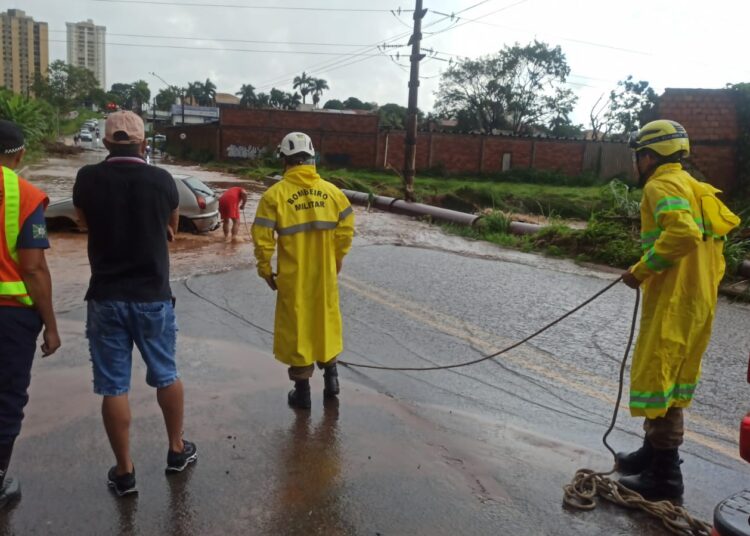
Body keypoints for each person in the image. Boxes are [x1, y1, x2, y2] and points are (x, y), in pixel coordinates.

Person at [73, 111, 197, 497]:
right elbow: (173, 227)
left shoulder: (87, 179)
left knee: (114, 387)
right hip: (153, 298)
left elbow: (81, 223)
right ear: (144, 144)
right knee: (166, 373)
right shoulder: (162, 180)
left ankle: (124, 472)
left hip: (106, 297)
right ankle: (176, 451)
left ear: (106, 143)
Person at [616, 119, 739, 500]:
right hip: (696, 300)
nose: (637, 163)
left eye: (639, 156)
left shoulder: (660, 185)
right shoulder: (695, 186)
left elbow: (682, 234)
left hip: (673, 300)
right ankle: (651, 454)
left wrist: (640, 271)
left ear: (649, 156)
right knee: (673, 376)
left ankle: (664, 476)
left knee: (658, 378)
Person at [251, 132, 355, 410]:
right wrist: (337, 258)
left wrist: (265, 269)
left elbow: (262, 238)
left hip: (293, 278)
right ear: (311, 159)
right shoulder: (333, 193)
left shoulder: (275, 196)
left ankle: (303, 392)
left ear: (284, 160)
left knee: (298, 329)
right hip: (324, 276)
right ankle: (332, 380)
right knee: (326, 323)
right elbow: (346, 230)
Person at [0, 120, 60, 508]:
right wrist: (51, 326)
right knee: (5, 398)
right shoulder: (24, 194)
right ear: (20, 156)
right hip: (9, 318)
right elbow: (34, 268)